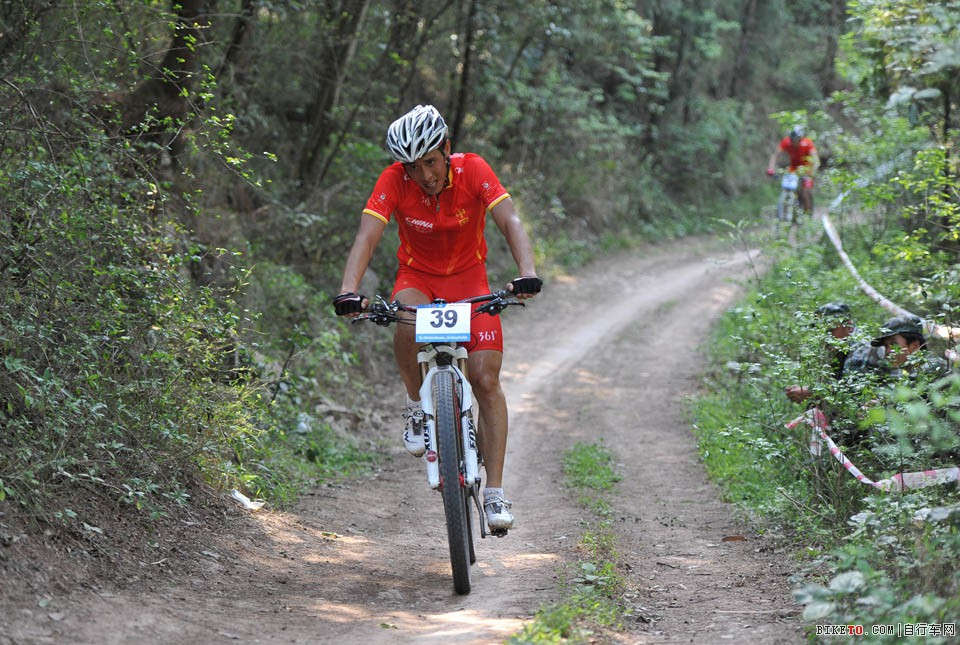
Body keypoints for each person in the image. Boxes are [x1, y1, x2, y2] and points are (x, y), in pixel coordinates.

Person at [332, 104, 541, 531]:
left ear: (446, 149)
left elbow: (509, 220)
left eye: (430, 161)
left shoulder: (473, 169)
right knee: (405, 317)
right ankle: (416, 404)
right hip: (418, 279)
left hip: (471, 282)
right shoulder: (393, 181)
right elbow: (367, 236)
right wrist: (348, 290)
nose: (424, 175)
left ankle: (495, 493)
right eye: (413, 167)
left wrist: (527, 272)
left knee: (485, 380)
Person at [785, 302, 860, 404]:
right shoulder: (839, 346)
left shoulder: (861, 348)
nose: (825, 336)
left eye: (830, 330)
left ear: (848, 325)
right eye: (821, 331)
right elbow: (834, 382)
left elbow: (854, 393)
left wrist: (812, 393)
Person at [766, 125, 819, 215]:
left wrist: (812, 173)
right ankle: (790, 210)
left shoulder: (807, 143)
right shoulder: (786, 142)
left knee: (804, 192)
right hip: (793, 168)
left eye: (796, 140)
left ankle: (807, 216)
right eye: (792, 139)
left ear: (800, 139)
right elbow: (775, 155)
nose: (794, 142)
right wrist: (771, 168)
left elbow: (816, 159)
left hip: (807, 168)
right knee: (791, 188)